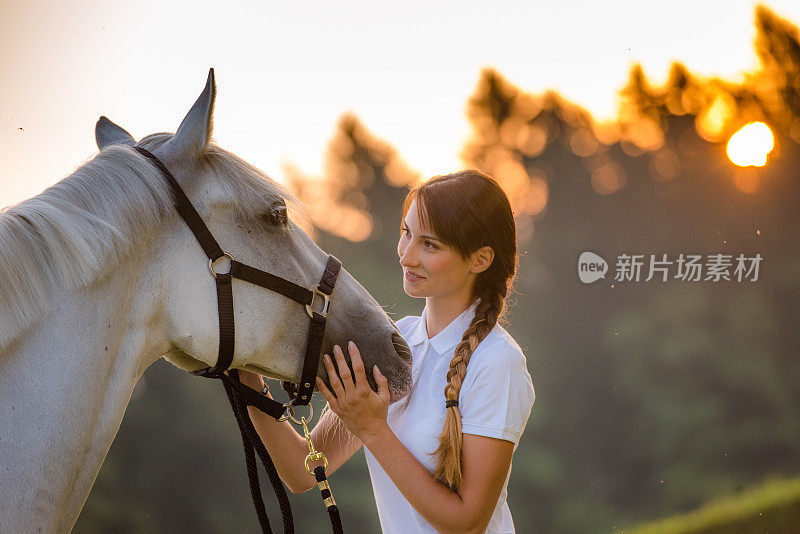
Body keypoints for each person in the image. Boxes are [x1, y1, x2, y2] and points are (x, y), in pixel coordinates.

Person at [236, 170, 535, 533]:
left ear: (480, 259)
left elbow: (466, 523)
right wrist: (244, 372)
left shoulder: (497, 362)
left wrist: (374, 431)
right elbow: (304, 470)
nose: (407, 257)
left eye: (430, 245)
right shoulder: (397, 341)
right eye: (406, 233)